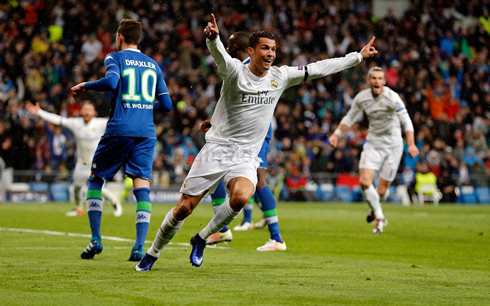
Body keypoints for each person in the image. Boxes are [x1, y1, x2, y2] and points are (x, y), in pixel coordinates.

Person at [135, 14, 376, 271]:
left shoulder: (280, 76)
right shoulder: (235, 71)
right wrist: (214, 39)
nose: (270, 53)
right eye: (265, 48)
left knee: (241, 197)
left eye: (273, 49)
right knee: (183, 209)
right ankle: (152, 252)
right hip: (217, 149)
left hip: (247, 155)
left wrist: (358, 57)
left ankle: (201, 238)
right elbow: (220, 57)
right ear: (251, 51)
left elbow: (320, 67)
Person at [70, 19, 172, 261]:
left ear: (120, 36)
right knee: (142, 186)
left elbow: (112, 82)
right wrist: (144, 106)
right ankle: (139, 246)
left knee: (95, 180)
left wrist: (85, 85)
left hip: (120, 129)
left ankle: (95, 239)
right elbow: (167, 105)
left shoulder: (114, 58)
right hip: (146, 133)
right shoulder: (153, 64)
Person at [203, 31, 286, 251]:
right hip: (239, 133)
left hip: (254, 136)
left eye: (230, 45)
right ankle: (227, 228)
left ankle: (275, 237)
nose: (228, 49)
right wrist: (215, 122)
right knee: (219, 175)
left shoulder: (252, 67)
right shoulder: (243, 68)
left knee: (259, 181)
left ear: (240, 46)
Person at [329, 67, 419, 233]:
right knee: (364, 182)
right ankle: (379, 217)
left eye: (380, 78)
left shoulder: (392, 97)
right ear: (368, 80)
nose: (377, 81)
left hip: (393, 146)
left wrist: (411, 143)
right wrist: (337, 134)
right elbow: (350, 116)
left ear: (384, 81)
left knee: (382, 191)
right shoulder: (362, 98)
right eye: (374, 78)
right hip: (373, 144)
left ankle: (375, 208)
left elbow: (406, 121)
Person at [26, 101, 123, 217]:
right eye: (85, 109)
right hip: (81, 164)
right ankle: (78, 209)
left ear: (94, 112)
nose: (87, 111)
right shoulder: (75, 123)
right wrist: (40, 113)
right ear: (81, 111)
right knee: (76, 188)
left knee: (97, 188)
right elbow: (58, 120)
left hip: (96, 164)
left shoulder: (101, 123)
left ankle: (115, 202)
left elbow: (118, 123)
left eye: (89, 109)